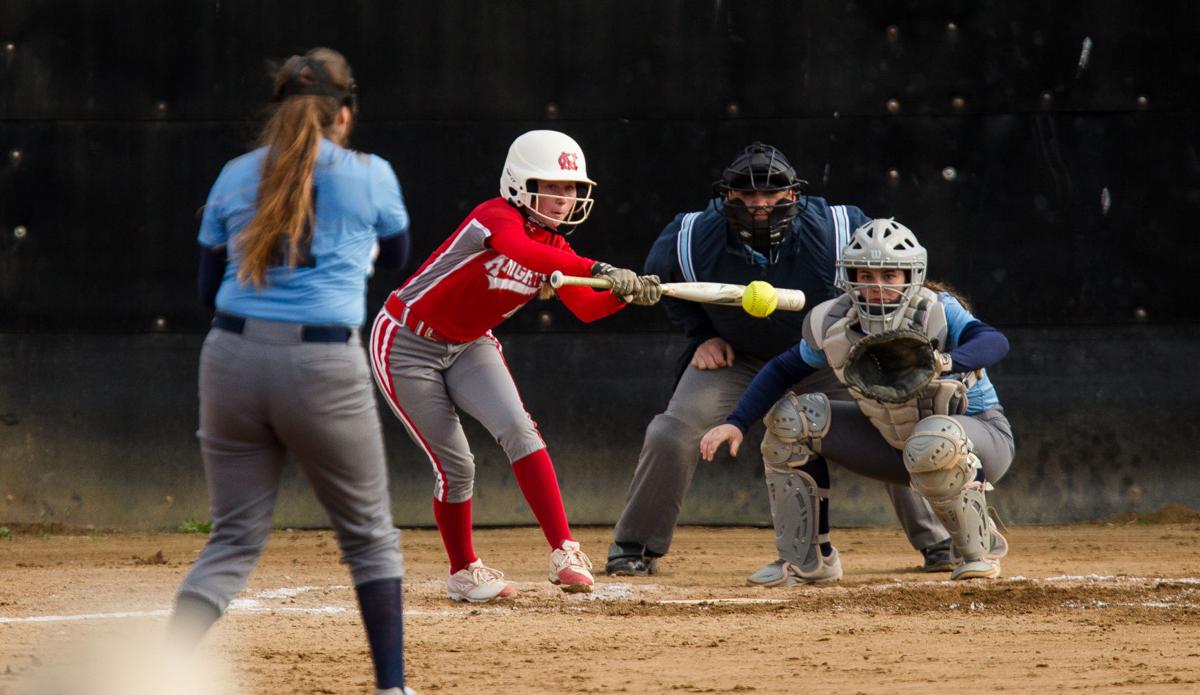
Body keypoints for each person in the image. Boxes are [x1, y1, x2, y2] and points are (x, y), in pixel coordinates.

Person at [168, 48, 441, 695]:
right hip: (321, 361)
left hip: (229, 355)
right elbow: (401, 258)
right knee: (370, 540)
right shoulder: (369, 173)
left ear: (278, 107)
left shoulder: (234, 174)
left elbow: (205, 290)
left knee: (231, 539)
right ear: (343, 113)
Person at [606, 142, 952, 579]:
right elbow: (669, 287)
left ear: (793, 196)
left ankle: (940, 539)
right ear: (727, 197)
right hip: (739, 358)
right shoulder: (691, 236)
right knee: (671, 431)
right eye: (747, 196)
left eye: (771, 195)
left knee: (895, 419)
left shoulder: (839, 227)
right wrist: (703, 335)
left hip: (825, 356)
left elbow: (889, 270)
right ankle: (634, 545)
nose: (759, 205)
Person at [370, 129, 662, 603]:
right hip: (406, 342)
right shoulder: (495, 217)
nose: (564, 198)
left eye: (571, 189)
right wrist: (601, 269)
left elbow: (586, 308)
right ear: (519, 183)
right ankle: (463, 570)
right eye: (552, 186)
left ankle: (564, 552)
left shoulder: (559, 250)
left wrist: (624, 296)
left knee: (520, 431)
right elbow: (521, 251)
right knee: (456, 466)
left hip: (469, 345)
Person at [700, 218, 1013, 582]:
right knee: (792, 418)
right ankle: (809, 561)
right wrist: (736, 422)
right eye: (866, 275)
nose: (877, 286)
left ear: (911, 275)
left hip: (978, 439)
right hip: (893, 445)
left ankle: (979, 548)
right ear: (849, 276)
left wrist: (945, 362)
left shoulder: (936, 311)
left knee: (933, 437)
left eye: (890, 276)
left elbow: (994, 341)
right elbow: (782, 370)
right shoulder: (834, 321)